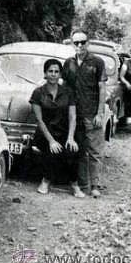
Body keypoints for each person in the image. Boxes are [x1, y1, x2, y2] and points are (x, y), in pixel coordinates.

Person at [62, 29, 107, 197]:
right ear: (72, 44)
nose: (79, 45)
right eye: (76, 42)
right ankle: (83, 185)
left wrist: (100, 113)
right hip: (74, 115)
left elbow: (102, 88)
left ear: (88, 43)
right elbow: (63, 84)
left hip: (91, 113)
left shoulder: (97, 62)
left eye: (83, 42)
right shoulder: (69, 63)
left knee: (95, 151)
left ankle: (95, 185)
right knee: (80, 151)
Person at [29, 59, 84, 198]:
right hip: (46, 133)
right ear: (45, 74)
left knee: (72, 149)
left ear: (60, 74)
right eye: (50, 71)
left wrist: (71, 138)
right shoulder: (38, 93)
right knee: (52, 150)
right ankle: (45, 181)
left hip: (65, 131)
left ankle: (75, 185)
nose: (53, 74)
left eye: (56, 72)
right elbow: (39, 120)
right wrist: (51, 141)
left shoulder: (68, 92)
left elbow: (72, 117)